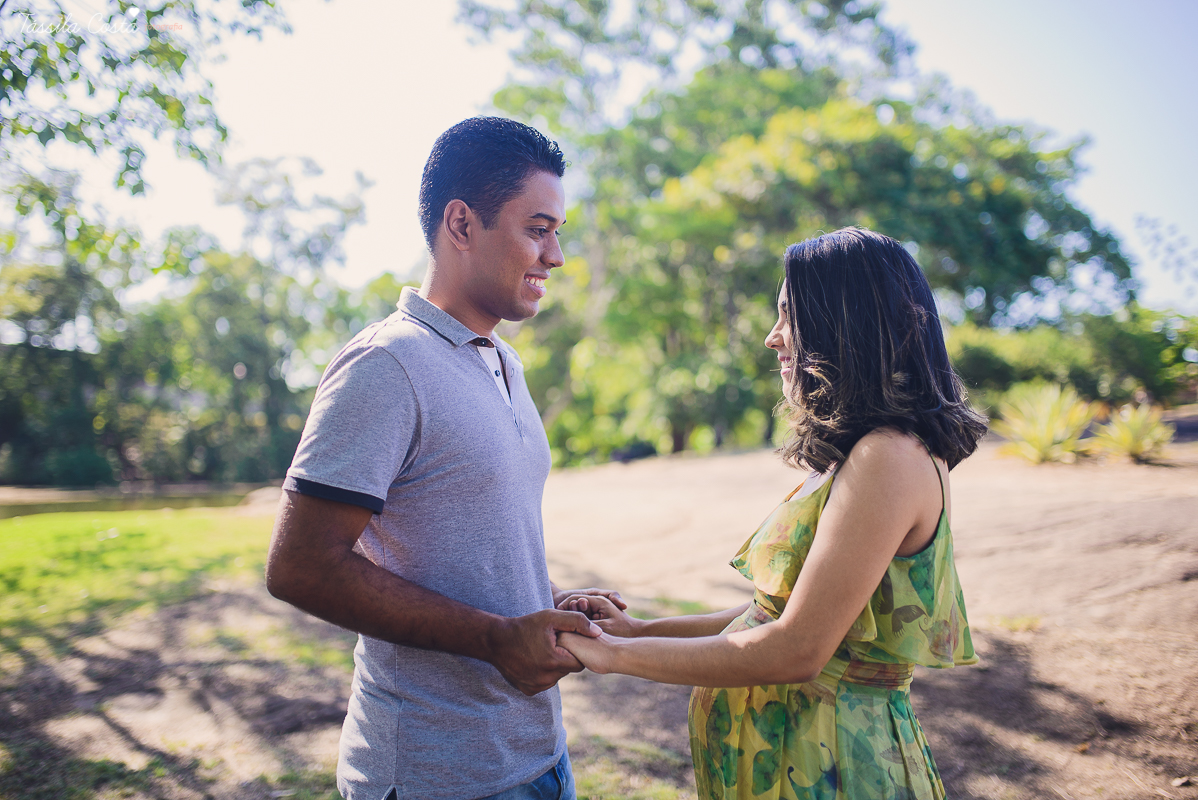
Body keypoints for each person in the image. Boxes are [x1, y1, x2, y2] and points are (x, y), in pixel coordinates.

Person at [557, 227, 988, 800]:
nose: (772, 338)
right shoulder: (868, 453)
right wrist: (639, 629)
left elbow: (798, 648)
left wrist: (615, 656)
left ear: (844, 321)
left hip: (837, 770)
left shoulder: (889, 456)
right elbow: (775, 614)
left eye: (789, 315)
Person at [265, 116, 622, 800]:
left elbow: (462, 551)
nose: (557, 255)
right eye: (538, 229)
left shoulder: (505, 362)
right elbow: (300, 567)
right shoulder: (385, 363)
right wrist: (495, 637)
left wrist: (543, 606)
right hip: (437, 774)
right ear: (462, 225)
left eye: (558, 232)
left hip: (537, 756)